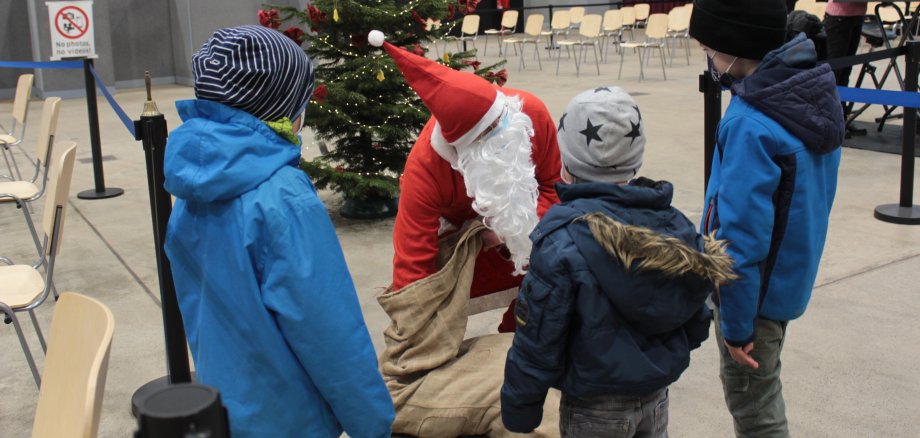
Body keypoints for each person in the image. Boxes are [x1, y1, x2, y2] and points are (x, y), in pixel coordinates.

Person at [163, 25, 394, 437]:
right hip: (290, 418)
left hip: (224, 402)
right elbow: (327, 328)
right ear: (282, 108)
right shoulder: (283, 198)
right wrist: (372, 421)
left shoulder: (193, 183)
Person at [501, 87, 736, 437]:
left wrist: (521, 407)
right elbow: (697, 308)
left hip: (592, 406)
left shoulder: (561, 240)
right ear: (636, 158)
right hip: (656, 395)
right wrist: (666, 353)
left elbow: (539, 334)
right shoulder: (675, 226)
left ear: (567, 163)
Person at [689, 1, 844, 436]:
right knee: (763, 389)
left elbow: (738, 235)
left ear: (737, 47)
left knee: (755, 409)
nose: (709, 59)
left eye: (710, 48)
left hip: (751, 299)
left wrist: (737, 325)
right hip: (786, 281)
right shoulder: (809, 91)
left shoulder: (751, 123)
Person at [372, 31, 562, 332]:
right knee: (427, 293)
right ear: (466, 152)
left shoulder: (531, 114)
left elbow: (554, 186)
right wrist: (410, 330)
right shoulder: (425, 170)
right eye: (493, 138)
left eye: (505, 121)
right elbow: (413, 260)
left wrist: (508, 228)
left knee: (565, 250)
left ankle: (520, 329)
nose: (507, 133)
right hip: (457, 232)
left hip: (525, 214)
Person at [823, 0, 868, 135]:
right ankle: (831, 120)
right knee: (834, 73)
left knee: (846, 72)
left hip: (857, 17)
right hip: (839, 18)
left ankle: (842, 117)